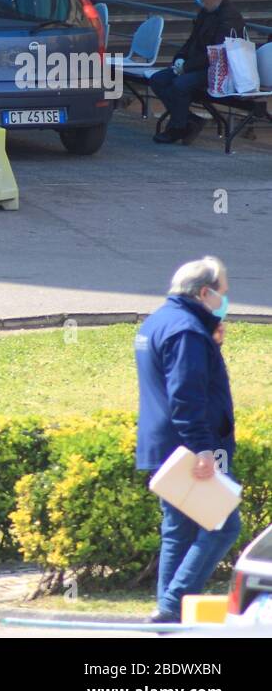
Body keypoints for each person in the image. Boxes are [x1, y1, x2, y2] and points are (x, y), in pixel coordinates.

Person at [134, 256, 241, 624]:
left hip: (165, 445)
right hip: (189, 447)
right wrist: (203, 449)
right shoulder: (187, 332)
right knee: (223, 524)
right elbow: (186, 396)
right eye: (221, 293)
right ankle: (173, 603)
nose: (225, 300)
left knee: (178, 530)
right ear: (204, 292)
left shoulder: (159, 322)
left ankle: (168, 612)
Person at [149, 0, 245, 145]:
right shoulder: (206, 12)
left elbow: (217, 53)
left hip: (216, 70)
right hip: (195, 65)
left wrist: (186, 67)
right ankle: (190, 121)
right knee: (158, 80)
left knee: (180, 85)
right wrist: (179, 58)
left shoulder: (229, 17)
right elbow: (192, 40)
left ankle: (177, 128)